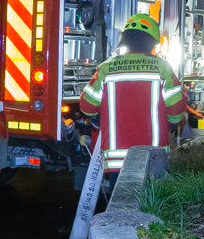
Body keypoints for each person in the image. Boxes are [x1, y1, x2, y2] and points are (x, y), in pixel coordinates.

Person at [79, 13, 186, 178]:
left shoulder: (106, 68)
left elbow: (87, 105)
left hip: (117, 161)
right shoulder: (162, 67)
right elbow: (176, 112)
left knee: (122, 203)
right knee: (152, 202)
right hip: (153, 158)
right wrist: (171, 125)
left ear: (125, 38)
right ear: (152, 41)